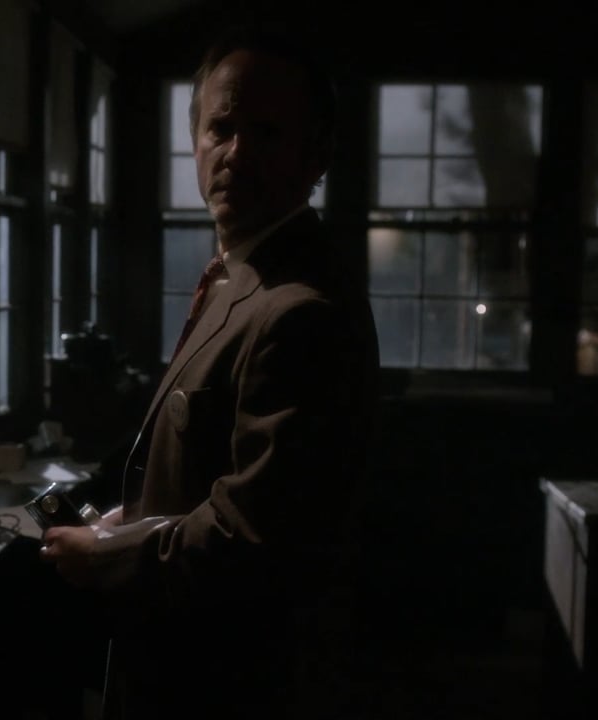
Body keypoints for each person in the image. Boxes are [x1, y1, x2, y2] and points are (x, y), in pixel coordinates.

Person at [40, 26, 380, 719]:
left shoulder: (299, 311)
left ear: (316, 156)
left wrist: (106, 557)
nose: (237, 152)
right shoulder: (242, 278)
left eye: (267, 132)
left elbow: (250, 540)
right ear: (194, 139)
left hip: (223, 682)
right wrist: (131, 521)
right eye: (220, 127)